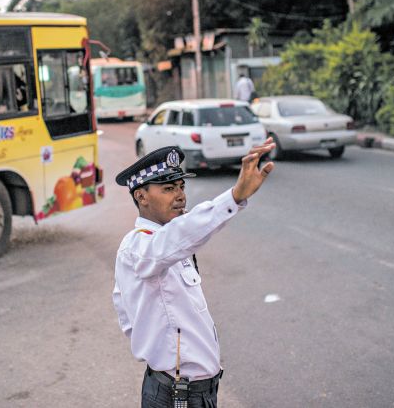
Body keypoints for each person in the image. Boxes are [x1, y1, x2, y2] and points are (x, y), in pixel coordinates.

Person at [113, 140, 275, 408]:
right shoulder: (139, 246)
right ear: (141, 196)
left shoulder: (169, 243)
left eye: (181, 186)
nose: (180, 196)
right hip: (178, 395)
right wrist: (234, 197)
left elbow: (127, 313)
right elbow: (182, 233)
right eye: (168, 188)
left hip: (194, 391)